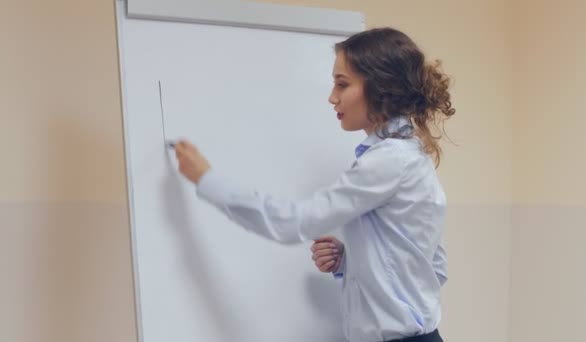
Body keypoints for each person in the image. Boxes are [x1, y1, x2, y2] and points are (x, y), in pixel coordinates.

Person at [173, 27, 455, 342]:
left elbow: (294, 222)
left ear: (380, 89)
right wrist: (351, 260)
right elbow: (431, 267)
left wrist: (206, 180)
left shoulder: (388, 162)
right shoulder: (410, 155)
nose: (332, 96)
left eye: (342, 84)